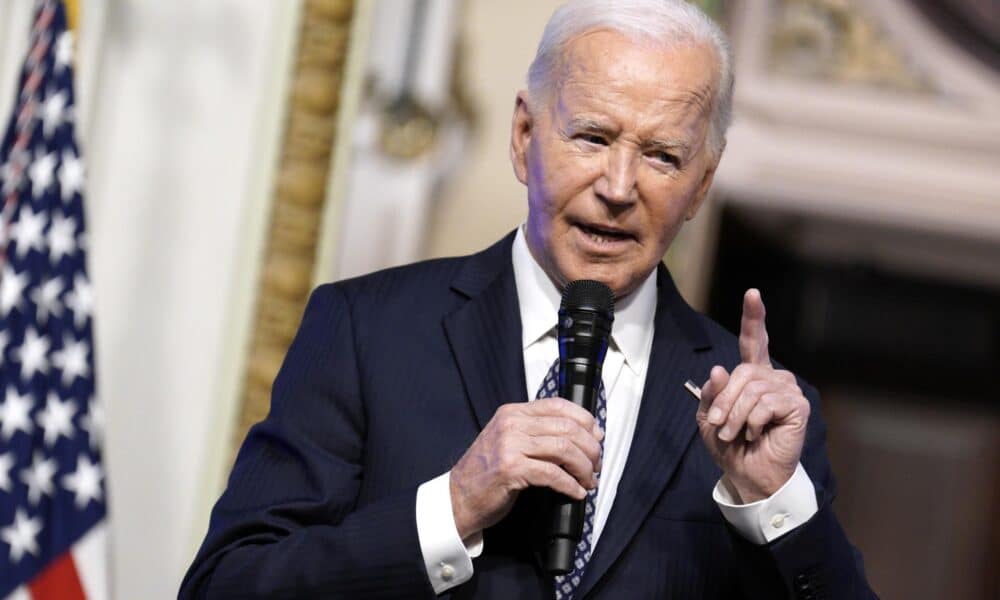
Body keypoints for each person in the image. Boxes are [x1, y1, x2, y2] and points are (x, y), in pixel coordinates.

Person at [181, 1, 876, 598]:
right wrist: (450, 508)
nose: (619, 185)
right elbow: (226, 587)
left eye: (663, 156)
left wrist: (774, 505)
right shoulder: (368, 333)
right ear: (524, 137)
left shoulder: (758, 421)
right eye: (593, 138)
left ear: (700, 185)